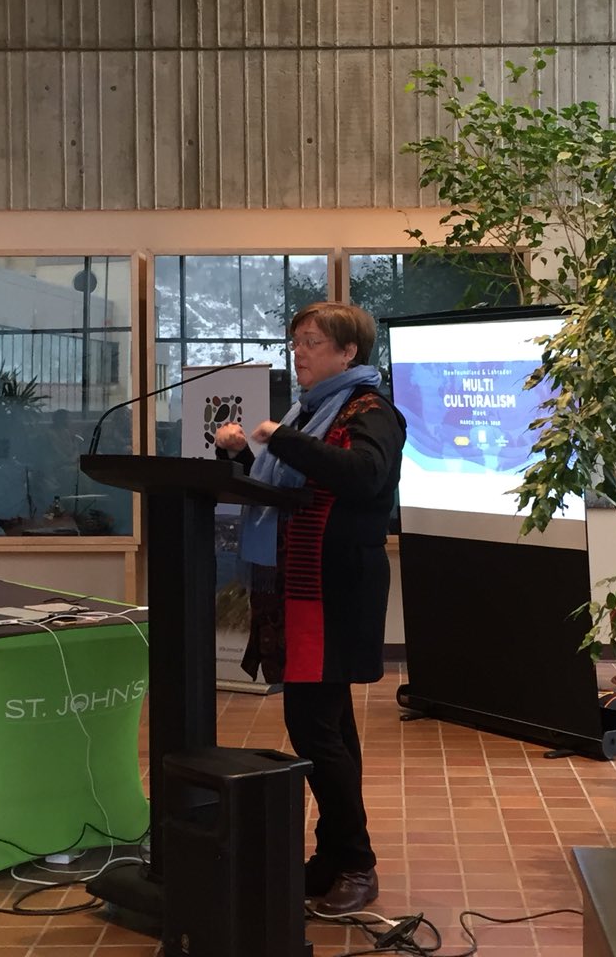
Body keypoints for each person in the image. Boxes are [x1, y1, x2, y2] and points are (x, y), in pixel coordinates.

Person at [215, 302, 406, 916]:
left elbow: (364, 477)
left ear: (349, 352)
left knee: (316, 729)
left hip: (333, 590)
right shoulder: (312, 413)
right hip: (299, 588)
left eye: (312, 342)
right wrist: (244, 456)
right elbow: (291, 493)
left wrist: (284, 439)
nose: (299, 353)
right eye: (295, 342)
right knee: (328, 727)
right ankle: (333, 857)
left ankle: (356, 862)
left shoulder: (371, 411)